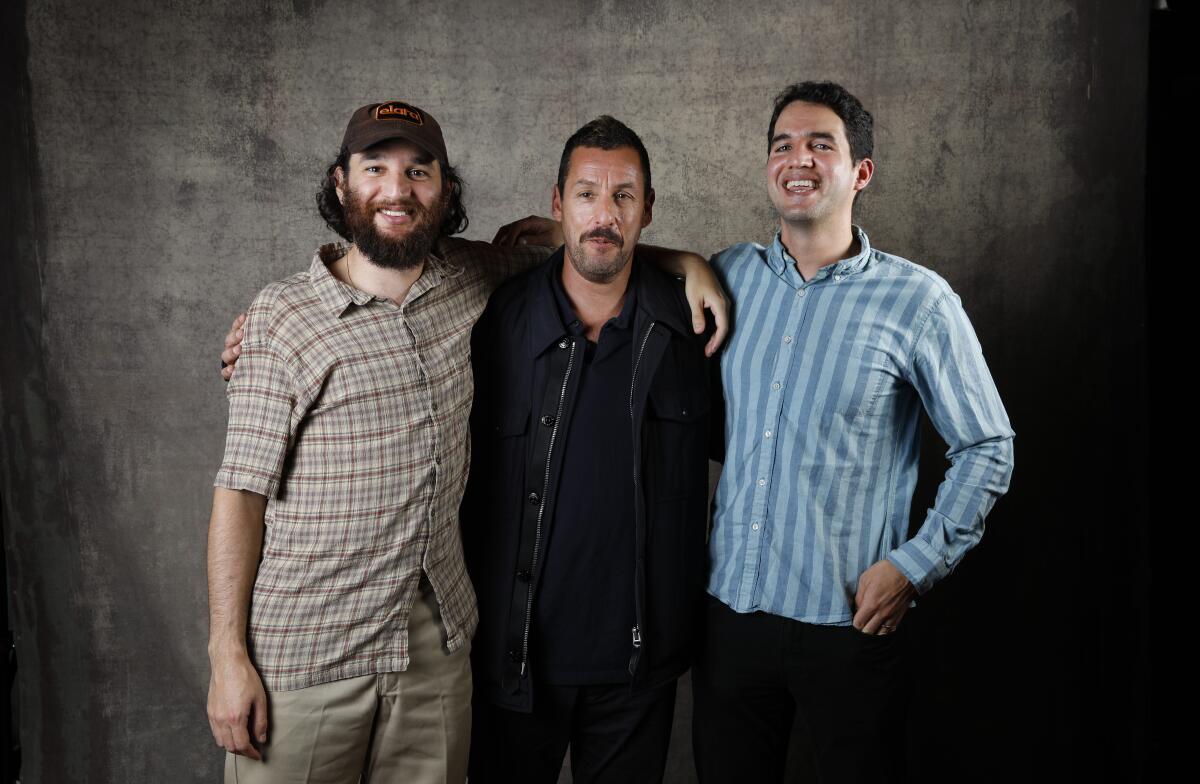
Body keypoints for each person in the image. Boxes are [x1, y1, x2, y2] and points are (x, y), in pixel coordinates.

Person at [207, 101, 726, 783]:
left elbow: (596, 247)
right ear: (341, 183)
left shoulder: (471, 280)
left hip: (435, 654)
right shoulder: (284, 316)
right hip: (307, 655)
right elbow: (239, 494)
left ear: (445, 191)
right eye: (376, 169)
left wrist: (689, 263)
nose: (397, 190)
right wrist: (226, 656)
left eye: (418, 171)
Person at [690, 81, 1016, 783]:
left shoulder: (918, 301)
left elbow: (988, 447)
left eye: (820, 144)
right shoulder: (727, 274)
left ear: (860, 171)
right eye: (783, 145)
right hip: (729, 621)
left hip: (849, 628)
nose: (797, 159)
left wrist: (915, 565)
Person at [461, 116, 711, 783]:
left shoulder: (693, 330)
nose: (605, 215)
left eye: (624, 196)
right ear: (556, 203)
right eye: (587, 195)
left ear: (648, 210)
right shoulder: (493, 323)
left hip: (637, 673)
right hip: (511, 668)